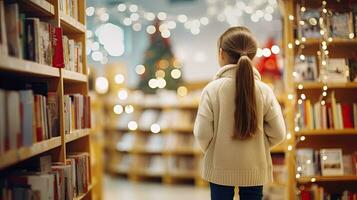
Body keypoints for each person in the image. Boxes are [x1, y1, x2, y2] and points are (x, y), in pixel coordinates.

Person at [193, 26, 286, 200]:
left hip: (219, 168)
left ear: (221, 53)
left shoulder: (212, 90)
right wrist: (258, 146)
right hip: (255, 169)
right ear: (253, 55)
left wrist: (215, 149)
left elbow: (202, 133)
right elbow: (279, 133)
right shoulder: (264, 90)